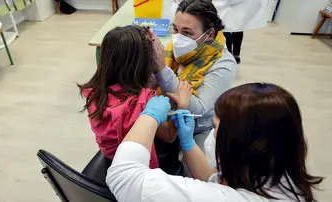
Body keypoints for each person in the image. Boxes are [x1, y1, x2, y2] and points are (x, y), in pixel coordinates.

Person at [106, 83, 324, 202]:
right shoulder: (279, 170)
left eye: (216, 127)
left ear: (240, 142)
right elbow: (214, 180)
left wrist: (150, 115)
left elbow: (124, 177)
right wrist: (188, 143)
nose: (212, 133)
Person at [78, 25, 191, 170]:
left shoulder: (95, 91)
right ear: (145, 64)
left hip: (111, 156)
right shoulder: (143, 103)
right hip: (137, 169)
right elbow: (169, 135)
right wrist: (182, 106)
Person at [153, 0, 237, 151]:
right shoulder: (172, 49)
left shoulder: (223, 63)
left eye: (187, 33)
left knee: (196, 169)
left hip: (199, 127)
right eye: (175, 29)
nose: (178, 38)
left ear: (209, 34)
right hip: (163, 116)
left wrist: (161, 70)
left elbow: (198, 109)